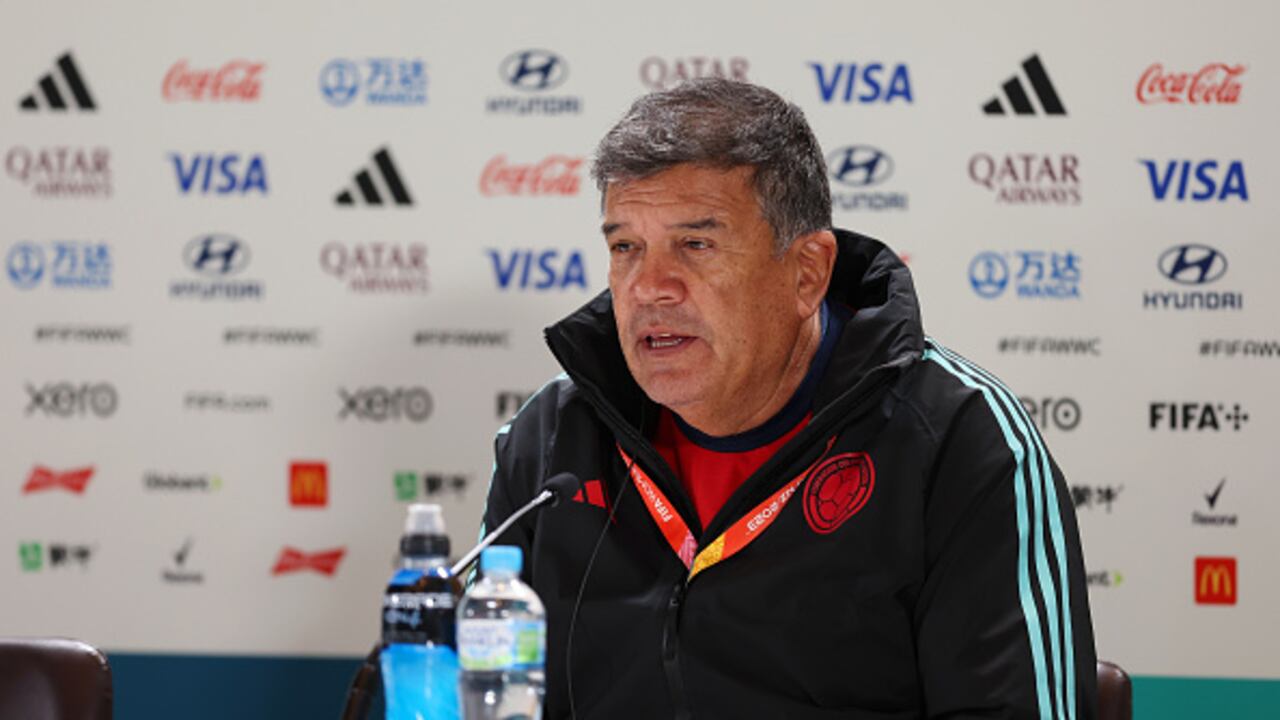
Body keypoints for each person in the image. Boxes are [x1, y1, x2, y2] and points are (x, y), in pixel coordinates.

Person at [477, 77, 1097, 719]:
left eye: (696, 244)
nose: (649, 287)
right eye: (625, 248)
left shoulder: (960, 442)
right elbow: (472, 688)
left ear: (807, 274)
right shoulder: (555, 433)